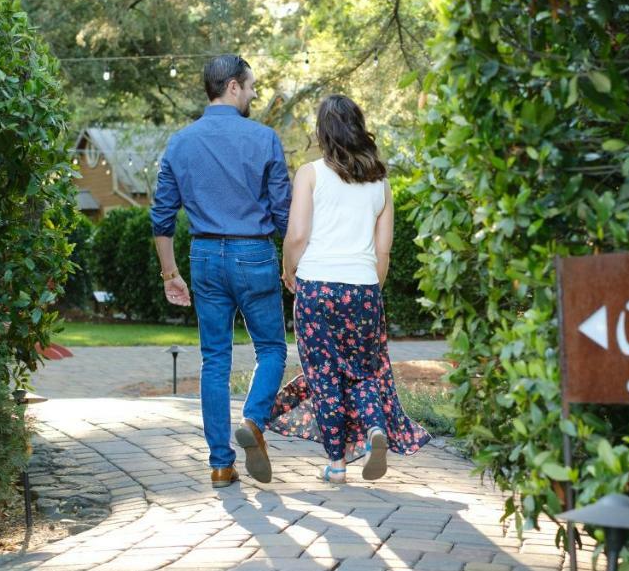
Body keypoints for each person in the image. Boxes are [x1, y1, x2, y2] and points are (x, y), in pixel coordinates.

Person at [268, 94, 430, 483]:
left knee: (324, 374)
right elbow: (383, 249)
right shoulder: (381, 183)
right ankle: (376, 430)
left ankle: (337, 464)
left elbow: (297, 234)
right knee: (363, 372)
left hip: (317, 288)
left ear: (323, 132)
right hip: (363, 288)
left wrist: (289, 270)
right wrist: (371, 289)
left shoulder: (310, 173)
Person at [150, 54, 291, 489]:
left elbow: (161, 215)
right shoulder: (265, 139)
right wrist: (292, 266)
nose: (252, 94)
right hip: (254, 254)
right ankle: (253, 417)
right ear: (232, 86)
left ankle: (220, 464)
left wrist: (170, 273)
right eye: (250, 87)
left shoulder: (180, 142)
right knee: (271, 348)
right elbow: (284, 213)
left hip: (205, 256)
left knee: (215, 359)